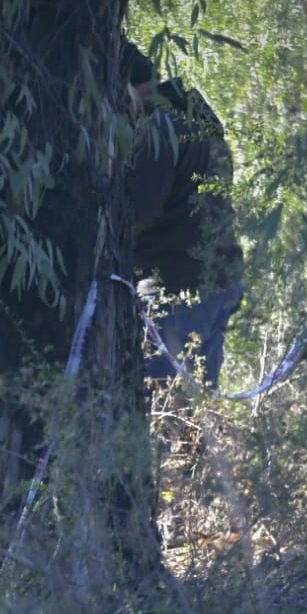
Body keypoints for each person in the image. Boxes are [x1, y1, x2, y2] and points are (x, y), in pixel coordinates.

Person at [122, 40, 243, 387]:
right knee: (195, 405)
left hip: (179, 292)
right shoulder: (197, 112)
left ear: (127, 91)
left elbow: (137, 216)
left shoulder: (160, 130)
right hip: (218, 281)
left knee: (165, 408)